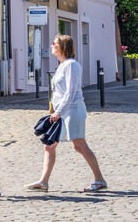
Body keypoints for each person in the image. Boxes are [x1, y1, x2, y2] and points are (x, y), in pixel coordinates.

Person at [25, 35, 108, 192]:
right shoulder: (62, 65)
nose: (51, 46)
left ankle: (99, 179)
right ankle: (43, 181)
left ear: (62, 47)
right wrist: (55, 111)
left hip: (73, 110)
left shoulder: (72, 65)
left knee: (79, 145)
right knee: (49, 146)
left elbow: (70, 91)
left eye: (54, 44)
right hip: (61, 112)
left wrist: (58, 111)